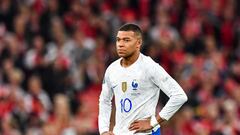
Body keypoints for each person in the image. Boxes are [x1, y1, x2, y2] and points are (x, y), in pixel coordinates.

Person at [98, 23, 188, 135]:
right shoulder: (112, 69)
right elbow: (104, 100)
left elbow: (179, 96)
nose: (120, 44)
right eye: (118, 40)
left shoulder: (150, 67)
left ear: (138, 43)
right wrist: (103, 130)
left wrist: (153, 122)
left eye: (126, 40)